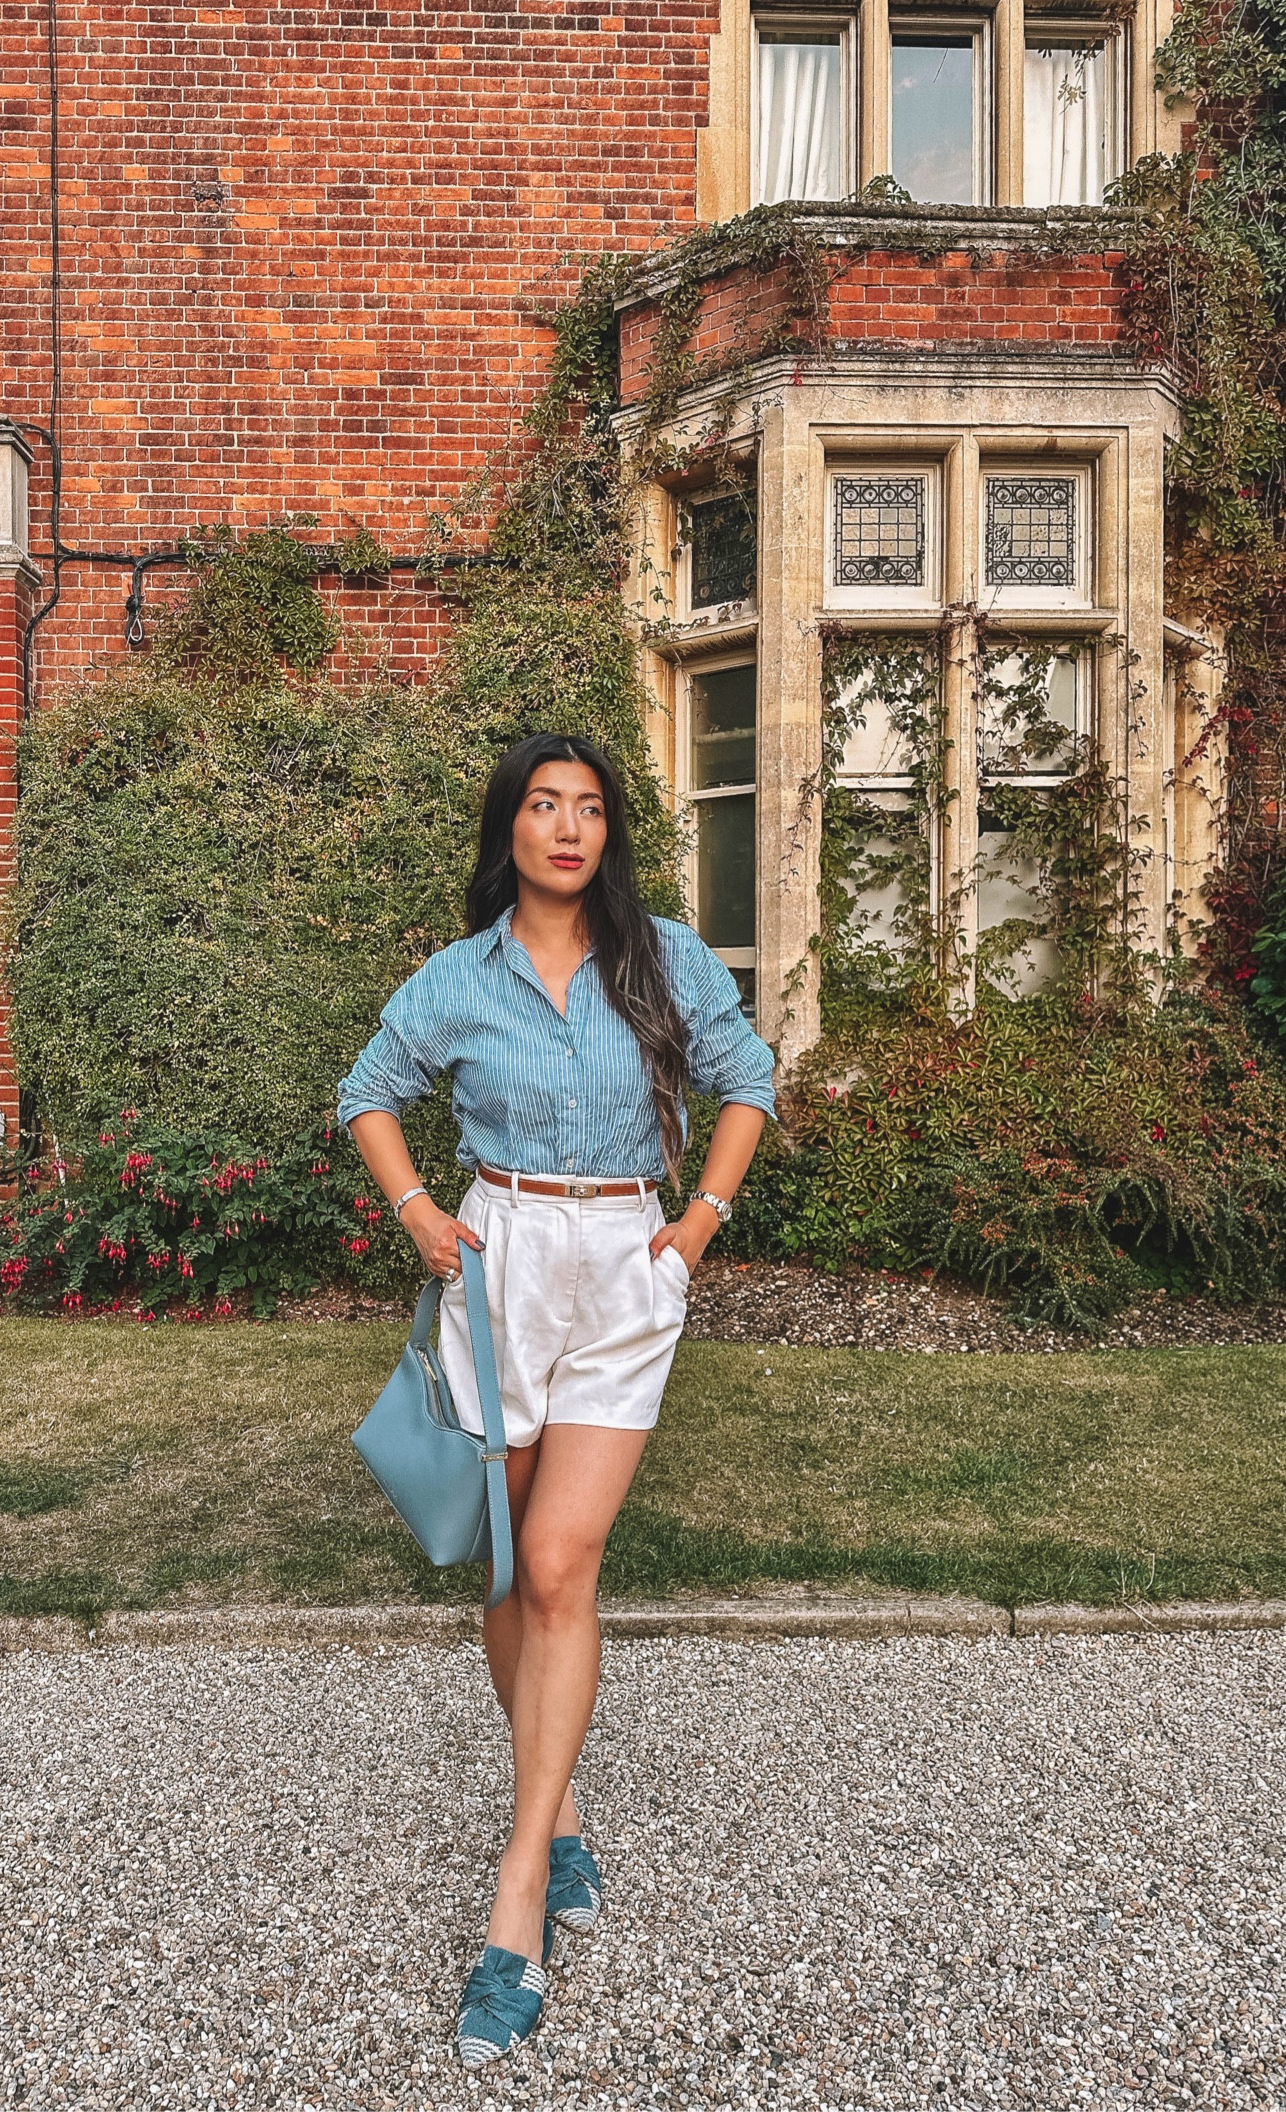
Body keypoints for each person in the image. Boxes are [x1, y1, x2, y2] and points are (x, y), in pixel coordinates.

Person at [337, 731, 774, 2067]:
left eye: (589, 808)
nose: (569, 827)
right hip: (501, 1263)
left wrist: (696, 1225)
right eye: (544, 805)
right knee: (505, 1572)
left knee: (560, 1562)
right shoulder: (458, 979)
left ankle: (518, 1885)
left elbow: (748, 1082)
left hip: (627, 1260)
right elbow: (368, 1093)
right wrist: (420, 1211)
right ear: (511, 830)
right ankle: (563, 1805)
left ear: (607, 835)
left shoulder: (663, 959)